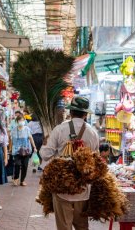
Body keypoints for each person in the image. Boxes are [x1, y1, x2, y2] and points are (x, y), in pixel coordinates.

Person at [40, 96, 99, 230]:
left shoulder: (59, 129)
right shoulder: (93, 132)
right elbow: (95, 159)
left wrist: (44, 145)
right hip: (83, 187)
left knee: (64, 227)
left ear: (71, 112)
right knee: (82, 226)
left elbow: (45, 155)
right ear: (85, 114)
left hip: (61, 187)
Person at [10, 115, 37, 186]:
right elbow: (11, 139)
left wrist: (34, 147)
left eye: (22, 120)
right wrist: (10, 148)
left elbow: (31, 138)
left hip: (26, 150)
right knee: (17, 164)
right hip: (16, 151)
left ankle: (22, 180)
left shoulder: (27, 129)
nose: (21, 122)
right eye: (19, 120)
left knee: (25, 165)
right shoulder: (14, 130)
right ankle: (16, 178)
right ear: (17, 121)